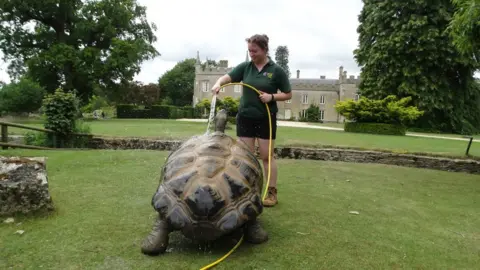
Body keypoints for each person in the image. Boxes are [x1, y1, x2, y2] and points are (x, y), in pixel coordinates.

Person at [211, 34, 292, 207]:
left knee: (266, 157)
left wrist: (271, 97)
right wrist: (218, 83)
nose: (252, 54)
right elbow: (228, 77)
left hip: (265, 119)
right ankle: (245, 190)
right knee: (245, 157)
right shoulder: (245, 67)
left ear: (264, 49)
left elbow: (288, 94)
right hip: (245, 118)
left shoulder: (276, 70)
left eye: (254, 50)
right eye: (249, 50)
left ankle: (271, 192)